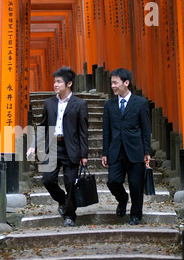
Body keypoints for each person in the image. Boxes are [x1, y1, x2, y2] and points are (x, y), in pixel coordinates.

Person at [27, 66, 88, 227]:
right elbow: (43, 126)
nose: (55, 85)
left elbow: (83, 131)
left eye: (59, 82)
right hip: (53, 147)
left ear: (69, 84)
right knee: (47, 180)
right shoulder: (49, 103)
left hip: (71, 149)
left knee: (70, 183)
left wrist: (84, 155)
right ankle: (63, 201)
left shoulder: (80, 104)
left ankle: (70, 215)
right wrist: (34, 146)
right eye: (55, 82)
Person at [102, 68, 151, 225]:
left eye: (115, 83)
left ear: (126, 83)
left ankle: (136, 214)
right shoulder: (109, 105)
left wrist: (147, 151)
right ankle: (122, 199)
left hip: (135, 150)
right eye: (112, 83)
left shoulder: (141, 103)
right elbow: (106, 131)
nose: (113, 86)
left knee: (136, 185)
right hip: (116, 151)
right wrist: (105, 152)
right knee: (113, 181)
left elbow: (145, 129)